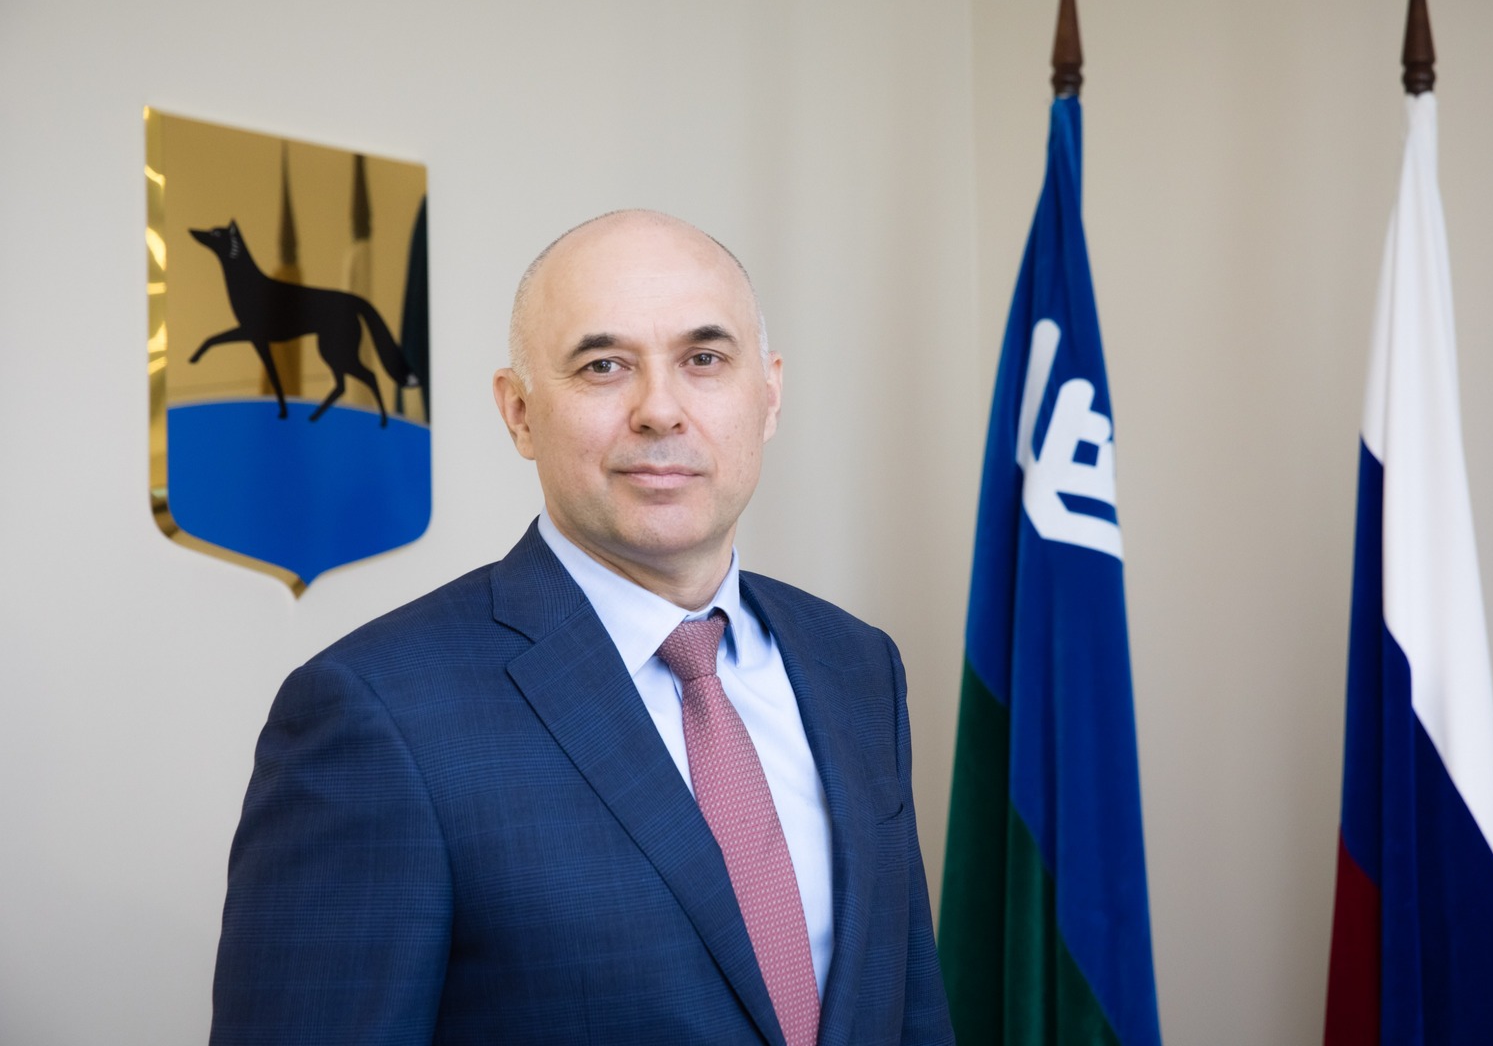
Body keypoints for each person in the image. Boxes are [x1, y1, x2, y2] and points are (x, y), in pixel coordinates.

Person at [209, 210, 954, 1045]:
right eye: (604, 366)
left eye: (704, 359)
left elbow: (911, 1010)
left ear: (769, 395)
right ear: (519, 412)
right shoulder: (375, 715)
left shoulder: (856, 666)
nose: (660, 410)